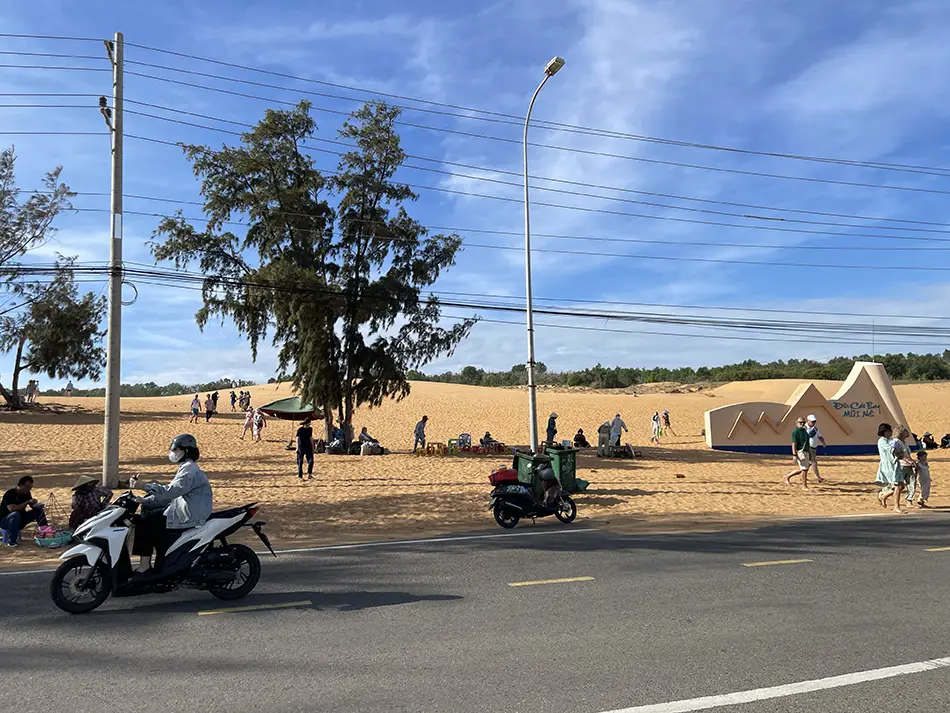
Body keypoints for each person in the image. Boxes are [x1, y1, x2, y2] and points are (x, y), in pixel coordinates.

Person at [130, 434, 213, 575]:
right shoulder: (185, 467)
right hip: (183, 509)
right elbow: (171, 496)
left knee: (146, 524)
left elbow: (171, 492)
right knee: (150, 513)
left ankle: (144, 567)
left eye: (175, 450)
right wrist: (145, 500)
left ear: (186, 451)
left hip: (189, 515)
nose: (172, 454)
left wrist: (143, 485)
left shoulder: (189, 471)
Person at [0, 476, 48, 547]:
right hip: (6, 521)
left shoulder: (27, 493)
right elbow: (12, 509)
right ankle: (12, 541)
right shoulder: (10, 494)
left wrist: (36, 504)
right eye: (28, 487)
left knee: (38, 511)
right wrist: (27, 502)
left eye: (31, 487)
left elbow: (32, 506)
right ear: (21, 485)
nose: (29, 489)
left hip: (20, 519)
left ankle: (45, 531)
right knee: (15, 514)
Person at [876, 423, 906, 512]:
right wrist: (897, 449)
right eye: (889, 431)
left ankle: (883, 496)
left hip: (895, 465)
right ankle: (896, 507)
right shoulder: (882, 441)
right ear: (884, 432)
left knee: (901, 486)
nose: (891, 432)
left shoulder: (891, 440)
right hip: (888, 466)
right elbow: (891, 449)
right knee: (897, 485)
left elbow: (899, 450)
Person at [783, 416, 812, 489]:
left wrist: (810, 453)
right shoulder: (795, 432)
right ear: (797, 423)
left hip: (806, 452)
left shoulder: (805, 432)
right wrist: (794, 454)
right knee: (804, 469)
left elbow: (807, 443)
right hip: (800, 452)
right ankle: (804, 486)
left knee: (804, 468)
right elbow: (794, 443)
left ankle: (787, 476)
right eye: (800, 422)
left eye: (803, 422)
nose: (802, 424)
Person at [805, 414, 826, 484]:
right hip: (808, 448)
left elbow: (819, 436)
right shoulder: (804, 428)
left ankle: (803, 476)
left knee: (808, 464)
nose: (813, 423)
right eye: (812, 421)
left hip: (814, 448)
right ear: (808, 421)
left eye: (814, 421)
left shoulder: (815, 429)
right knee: (814, 463)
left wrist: (823, 442)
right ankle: (819, 478)